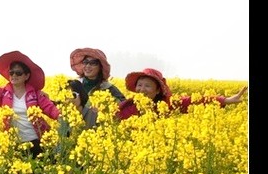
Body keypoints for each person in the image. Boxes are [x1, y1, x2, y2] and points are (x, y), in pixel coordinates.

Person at [118, 68, 247, 120]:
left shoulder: (169, 104)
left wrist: (225, 100)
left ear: (158, 90)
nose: (142, 89)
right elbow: (110, 117)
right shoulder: (127, 106)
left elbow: (195, 101)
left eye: (147, 85)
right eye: (139, 85)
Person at [68, 48, 126, 127]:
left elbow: (124, 109)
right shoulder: (75, 85)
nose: (88, 66)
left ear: (100, 67)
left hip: (100, 133)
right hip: (75, 130)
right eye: (85, 62)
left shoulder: (109, 88)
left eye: (93, 63)